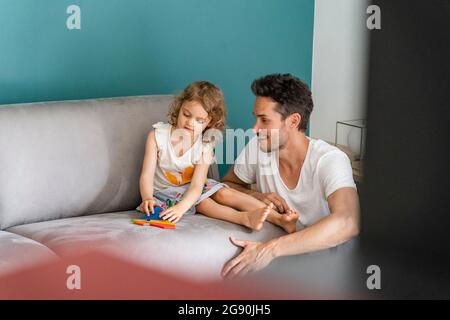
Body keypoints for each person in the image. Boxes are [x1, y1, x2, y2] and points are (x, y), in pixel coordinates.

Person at [221, 74, 360, 278]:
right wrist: (257, 196)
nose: (254, 128)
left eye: (264, 120)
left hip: (336, 259)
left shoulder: (330, 159)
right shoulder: (257, 149)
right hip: (293, 259)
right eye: (256, 118)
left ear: (293, 121)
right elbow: (227, 184)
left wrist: (269, 250)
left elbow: (348, 221)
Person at [137, 80, 298, 231]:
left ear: (210, 123)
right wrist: (147, 198)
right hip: (165, 191)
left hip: (193, 187)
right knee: (204, 204)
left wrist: (182, 207)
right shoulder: (157, 136)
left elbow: (197, 185)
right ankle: (244, 218)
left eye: (199, 120)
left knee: (224, 193)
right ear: (179, 108)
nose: (190, 123)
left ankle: (279, 219)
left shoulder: (205, 145)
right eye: (186, 115)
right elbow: (146, 176)